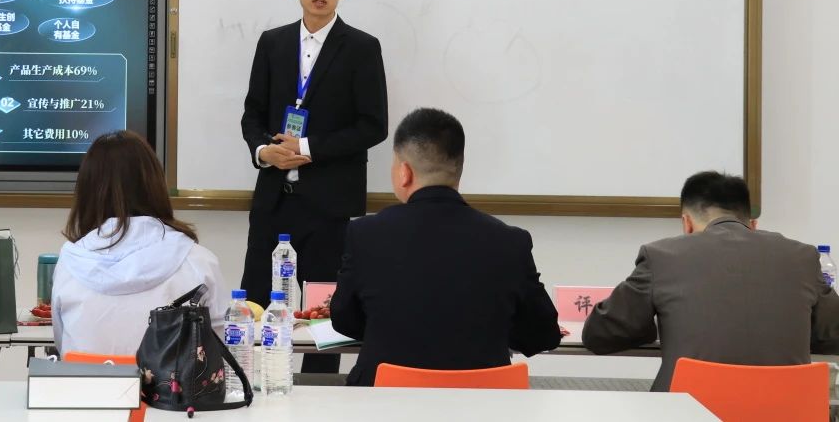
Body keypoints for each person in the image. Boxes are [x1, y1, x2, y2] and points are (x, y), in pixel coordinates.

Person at [239, 0, 388, 373]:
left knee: (324, 319)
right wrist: (264, 151)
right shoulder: (272, 43)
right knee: (257, 309)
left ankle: (321, 397)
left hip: (329, 208)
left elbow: (373, 125)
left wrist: (306, 148)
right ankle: (256, 388)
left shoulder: (361, 47)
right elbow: (252, 113)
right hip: (273, 202)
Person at [331, 108, 561, 386]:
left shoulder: (365, 234)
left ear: (404, 172)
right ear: (458, 170)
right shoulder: (510, 241)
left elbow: (344, 320)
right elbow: (542, 335)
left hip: (385, 399)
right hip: (486, 402)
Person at [583, 171, 839, 390]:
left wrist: (651, 326)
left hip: (689, 412)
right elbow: (833, 334)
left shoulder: (660, 256)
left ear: (686, 224)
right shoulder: (803, 257)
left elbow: (600, 334)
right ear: (753, 224)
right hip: (787, 412)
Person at [52, 130, 226, 357]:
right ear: (155, 184)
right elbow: (221, 347)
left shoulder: (70, 262)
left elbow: (62, 343)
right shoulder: (198, 260)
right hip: (171, 382)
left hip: (84, 381)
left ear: (86, 190)